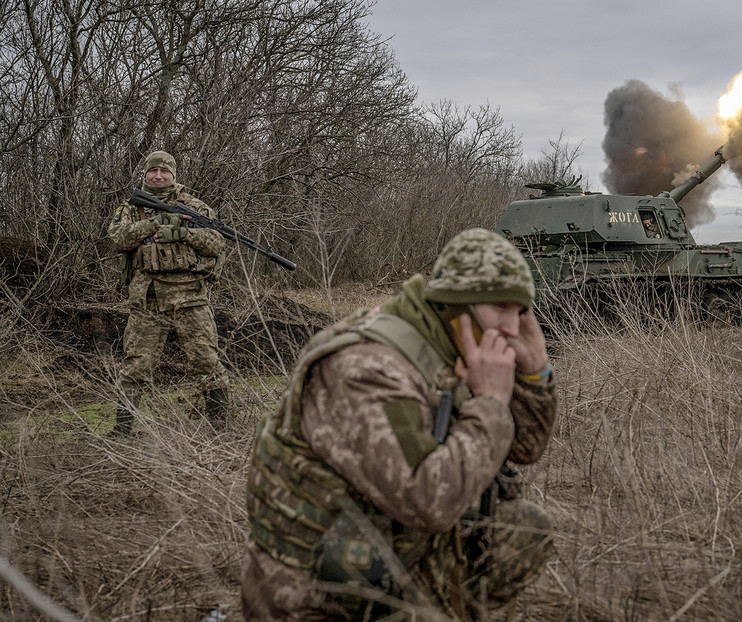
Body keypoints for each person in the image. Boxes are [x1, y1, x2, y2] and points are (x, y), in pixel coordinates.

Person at [241, 228, 558, 621]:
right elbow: (427, 503)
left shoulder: (454, 342)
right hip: (318, 589)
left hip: (392, 548)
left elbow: (524, 448)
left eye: (520, 311)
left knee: (523, 530)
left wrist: (533, 372)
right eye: (499, 308)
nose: (512, 328)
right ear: (455, 305)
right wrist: (491, 402)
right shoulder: (368, 368)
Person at [107, 150, 229, 434]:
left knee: (207, 361)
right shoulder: (130, 208)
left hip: (191, 296)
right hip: (147, 297)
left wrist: (184, 233)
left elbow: (216, 242)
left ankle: (221, 429)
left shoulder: (193, 206)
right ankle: (121, 431)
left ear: (174, 175)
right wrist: (155, 224)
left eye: (165, 171)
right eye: (153, 171)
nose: (159, 175)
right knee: (136, 365)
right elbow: (118, 238)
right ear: (146, 173)